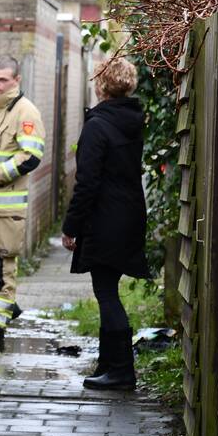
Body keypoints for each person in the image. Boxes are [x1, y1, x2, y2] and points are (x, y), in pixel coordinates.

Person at [61, 56, 151, 390]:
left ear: (101, 85)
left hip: (105, 219)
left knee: (106, 292)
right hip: (128, 215)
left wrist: (71, 227)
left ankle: (122, 372)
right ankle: (108, 363)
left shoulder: (99, 126)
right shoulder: (131, 120)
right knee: (108, 289)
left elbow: (87, 183)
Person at [0, 56, 46, 342]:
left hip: (4, 206)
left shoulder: (25, 112)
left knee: (0, 263)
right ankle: (1, 308)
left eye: (2, 79)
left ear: (17, 80)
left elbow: (31, 156)